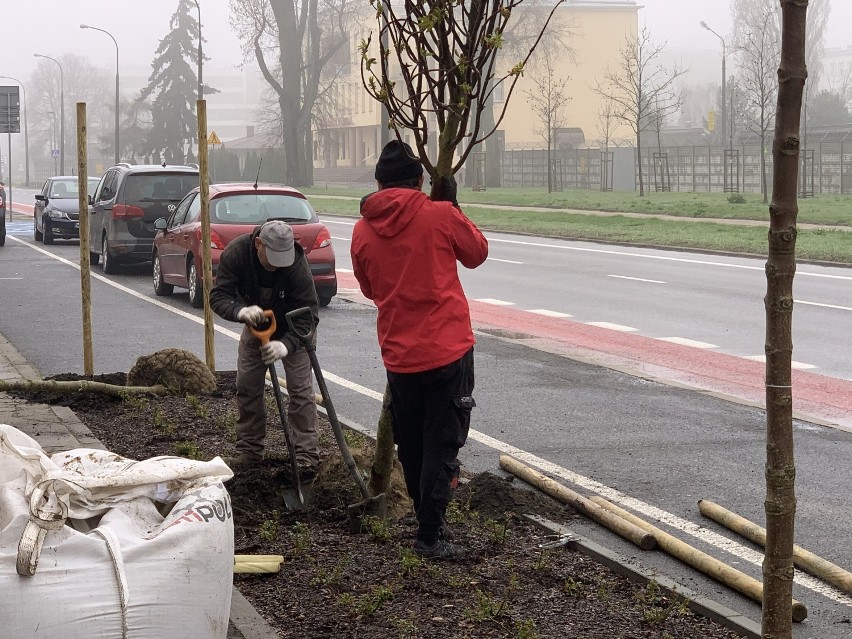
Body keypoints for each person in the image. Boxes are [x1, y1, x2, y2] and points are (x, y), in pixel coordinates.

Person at [350, 140, 489, 560]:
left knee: (411, 443)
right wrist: (453, 206)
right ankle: (430, 535)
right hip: (447, 349)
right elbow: (478, 254)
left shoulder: (362, 230)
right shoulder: (440, 215)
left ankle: (424, 514)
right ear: (419, 180)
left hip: (399, 353)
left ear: (377, 182)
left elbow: (370, 288)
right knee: (443, 442)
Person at [209, 220, 320, 476]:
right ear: (258, 243)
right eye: (272, 258)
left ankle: (305, 457)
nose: (277, 265)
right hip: (256, 324)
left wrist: (286, 346)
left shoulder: (297, 264)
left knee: (301, 392)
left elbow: (309, 316)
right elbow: (218, 296)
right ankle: (249, 450)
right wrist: (240, 311)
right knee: (247, 385)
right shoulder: (236, 254)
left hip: (296, 331)